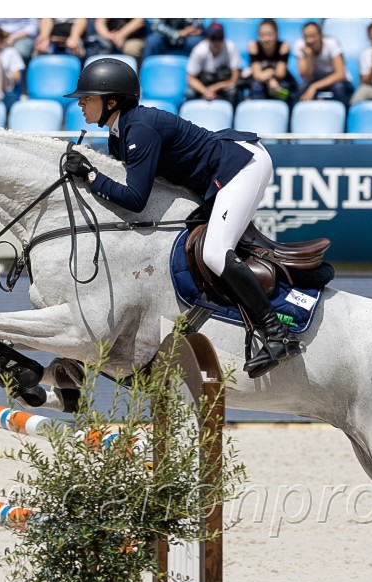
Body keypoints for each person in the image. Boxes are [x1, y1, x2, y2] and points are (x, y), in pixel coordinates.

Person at [60, 58, 301, 378]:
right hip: (213, 178)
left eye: (87, 98)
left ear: (112, 102)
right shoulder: (118, 136)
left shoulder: (139, 129)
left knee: (216, 251)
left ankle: (276, 334)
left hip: (241, 166)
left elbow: (134, 199)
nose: (81, 104)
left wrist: (90, 176)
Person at [293, 21, 353, 106]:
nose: (310, 40)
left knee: (338, 88)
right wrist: (309, 58)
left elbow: (340, 74)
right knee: (301, 89)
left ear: (320, 35)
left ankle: (344, 117)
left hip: (337, 81)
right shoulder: (300, 45)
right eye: (306, 37)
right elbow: (305, 77)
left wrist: (314, 86)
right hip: (314, 80)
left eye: (313, 36)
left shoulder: (331, 43)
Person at [185, 22, 242, 104]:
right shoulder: (199, 51)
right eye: (213, 38)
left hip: (223, 83)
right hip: (203, 83)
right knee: (189, 93)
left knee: (234, 91)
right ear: (207, 38)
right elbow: (191, 79)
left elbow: (235, 77)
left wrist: (216, 87)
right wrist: (205, 91)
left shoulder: (230, 47)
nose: (217, 42)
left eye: (220, 38)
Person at [245, 18, 296, 102]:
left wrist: (268, 74)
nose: (266, 39)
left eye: (270, 34)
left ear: (276, 34)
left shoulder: (283, 46)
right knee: (256, 86)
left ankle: (283, 112)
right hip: (262, 82)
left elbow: (280, 73)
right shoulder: (253, 46)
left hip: (279, 83)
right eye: (262, 35)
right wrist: (270, 80)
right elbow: (257, 75)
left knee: (284, 90)